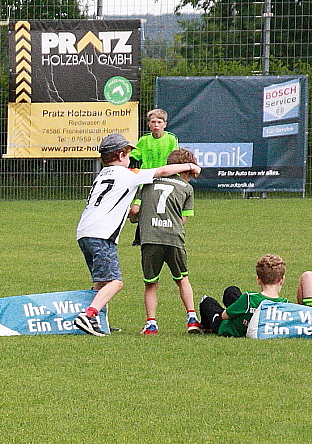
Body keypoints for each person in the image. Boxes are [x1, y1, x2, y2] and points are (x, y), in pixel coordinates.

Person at [73, 132, 200, 336]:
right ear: (121, 155)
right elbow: (163, 171)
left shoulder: (102, 175)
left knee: (101, 281)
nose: (130, 158)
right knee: (115, 282)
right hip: (101, 234)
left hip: (84, 232)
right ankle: (88, 315)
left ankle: (99, 321)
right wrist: (190, 166)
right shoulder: (128, 174)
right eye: (128, 154)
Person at [128, 147, 201, 334]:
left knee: (151, 283)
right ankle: (192, 318)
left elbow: (135, 211)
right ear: (185, 170)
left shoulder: (148, 182)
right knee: (182, 279)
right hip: (173, 237)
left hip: (150, 238)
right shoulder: (187, 188)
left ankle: (151, 323)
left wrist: (139, 218)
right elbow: (183, 219)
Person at [198, 254, 288, 336]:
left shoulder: (249, 298)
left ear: (258, 279)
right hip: (255, 322)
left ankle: (206, 327)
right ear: (282, 280)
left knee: (207, 301)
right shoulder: (285, 304)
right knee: (231, 291)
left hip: (228, 328)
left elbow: (224, 316)